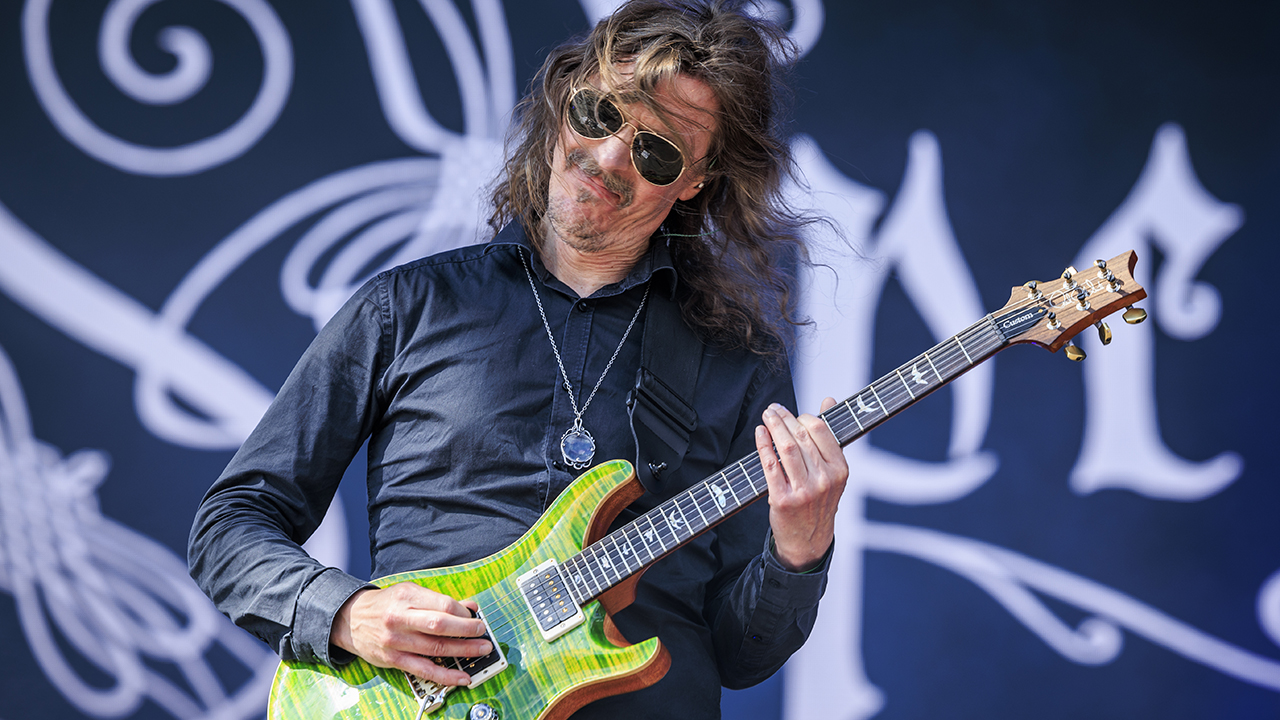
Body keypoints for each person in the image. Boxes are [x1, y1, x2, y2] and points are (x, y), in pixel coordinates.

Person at [188, 1, 849, 717]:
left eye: (655, 151)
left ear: (694, 182)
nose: (607, 158)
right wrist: (346, 613)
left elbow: (741, 654)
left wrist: (799, 552)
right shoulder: (408, 306)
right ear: (566, 98)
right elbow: (231, 523)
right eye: (599, 114)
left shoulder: (738, 365)